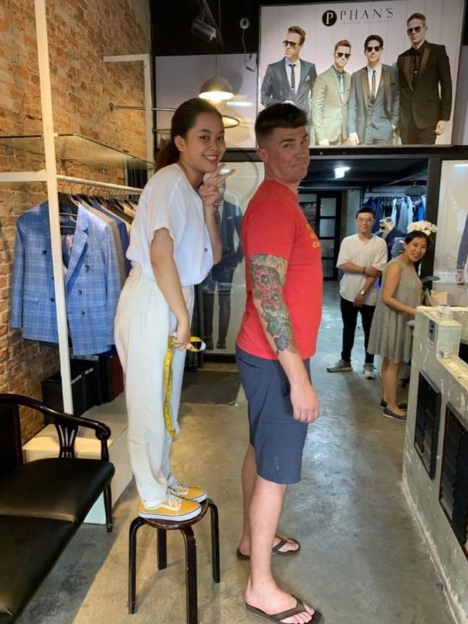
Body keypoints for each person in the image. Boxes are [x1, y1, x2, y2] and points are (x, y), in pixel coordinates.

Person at [114, 98, 232, 522]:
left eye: (219, 137)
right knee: (149, 399)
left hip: (171, 295)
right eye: (204, 137)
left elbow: (214, 255)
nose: (215, 146)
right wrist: (182, 316)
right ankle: (149, 492)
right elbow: (160, 254)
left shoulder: (189, 189)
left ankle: (162, 478)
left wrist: (208, 206)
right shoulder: (166, 181)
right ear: (180, 141)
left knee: (166, 396)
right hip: (153, 298)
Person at [236, 103, 324, 624]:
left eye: (303, 141)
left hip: (270, 355)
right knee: (276, 470)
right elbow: (269, 297)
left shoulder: (284, 201)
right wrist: (299, 381)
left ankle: (253, 541)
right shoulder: (271, 205)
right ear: (263, 152)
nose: (300, 152)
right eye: (287, 144)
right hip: (276, 360)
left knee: (259, 449)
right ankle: (261, 587)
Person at [368, 230, 429, 420]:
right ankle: (392, 407)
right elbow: (387, 297)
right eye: (415, 245)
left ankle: (387, 399)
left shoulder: (410, 265)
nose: (418, 250)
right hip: (393, 319)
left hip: (401, 319)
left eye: (423, 247)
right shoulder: (397, 265)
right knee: (393, 363)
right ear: (405, 245)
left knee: (390, 362)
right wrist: (415, 311)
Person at [327, 208, 387, 378]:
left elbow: (377, 272)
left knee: (369, 330)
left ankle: (369, 364)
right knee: (348, 328)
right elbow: (342, 264)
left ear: (373, 222)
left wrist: (362, 292)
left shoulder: (379, 243)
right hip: (347, 292)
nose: (364, 223)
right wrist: (364, 269)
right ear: (356, 221)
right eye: (361, 219)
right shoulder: (348, 241)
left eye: (368, 219)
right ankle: (345, 360)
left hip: (370, 295)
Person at [397, 13, 452, 145]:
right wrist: (398, 120)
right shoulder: (402, 58)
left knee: (425, 156)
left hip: (428, 120)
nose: (414, 32)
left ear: (425, 29)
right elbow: (400, 90)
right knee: (405, 157)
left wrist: (444, 118)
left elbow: (446, 85)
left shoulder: (437, 51)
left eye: (417, 29)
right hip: (406, 122)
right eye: (410, 30)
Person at [202, 183, 243, 350]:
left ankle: (222, 339)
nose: (217, 191)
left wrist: (237, 257)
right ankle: (208, 338)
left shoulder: (233, 208)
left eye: (220, 187)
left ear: (225, 189)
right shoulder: (201, 208)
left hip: (227, 260)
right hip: (206, 260)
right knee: (207, 301)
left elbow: (244, 234)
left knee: (225, 301)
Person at [348, 35, 399, 146]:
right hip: (364, 130)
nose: (373, 51)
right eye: (369, 49)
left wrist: (393, 124)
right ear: (365, 51)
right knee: (362, 157)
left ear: (381, 51)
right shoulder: (356, 76)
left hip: (385, 128)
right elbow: (352, 105)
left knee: (384, 157)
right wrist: (352, 131)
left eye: (376, 48)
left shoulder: (392, 72)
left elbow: (397, 98)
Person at [260, 26, 317, 119]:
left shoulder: (310, 68)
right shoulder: (273, 69)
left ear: (301, 46)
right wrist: (281, 105)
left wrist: (310, 111)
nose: (288, 47)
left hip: (303, 121)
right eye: (286, 43)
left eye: (292, 44)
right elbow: (263, 97)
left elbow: (316, 95)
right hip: (281, 120)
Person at [311, 39, 352, 146]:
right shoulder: (322, 78)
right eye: (340, 54)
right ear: (334, 55)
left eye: (346, 55)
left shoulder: (349, 78)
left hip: (344, 134)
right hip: (327, 135)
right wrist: (321, 136)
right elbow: (316, 109)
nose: (343, 57)